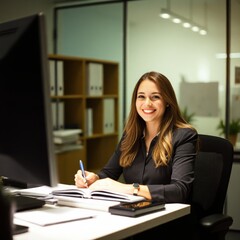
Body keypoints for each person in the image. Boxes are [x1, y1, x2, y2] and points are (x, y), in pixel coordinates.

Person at [75, 71, 198, 238]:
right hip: (131, 218)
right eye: (141, 97)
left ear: (167, 101)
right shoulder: (131, 135)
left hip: (166, 224)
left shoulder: (183, 136)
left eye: (155, 97)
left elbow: (180, 190)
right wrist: (92, 178)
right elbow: (108, 174)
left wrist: (128, 189)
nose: (147, 103)